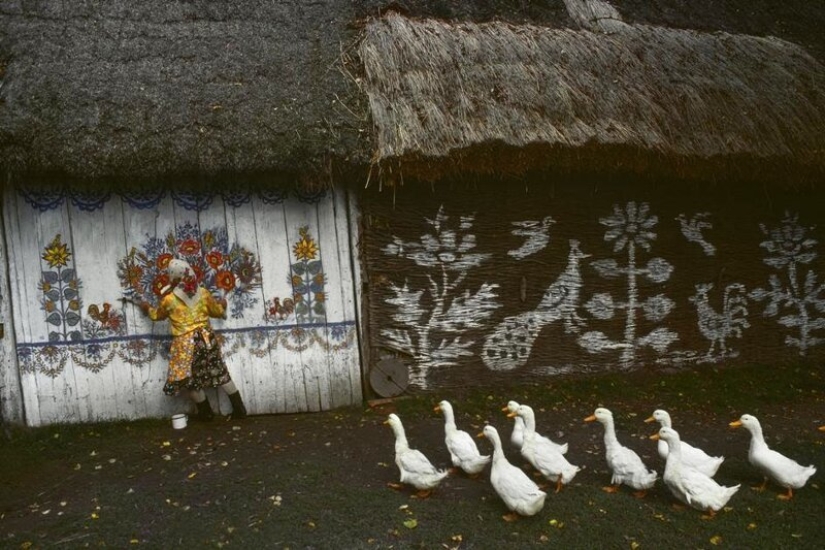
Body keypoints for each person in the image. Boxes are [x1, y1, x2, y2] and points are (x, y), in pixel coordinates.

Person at [138, 258, 246, 421]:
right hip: (206, 340)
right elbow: (216, 311)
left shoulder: (169, 300)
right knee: (220, 373)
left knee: (188, 380)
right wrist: (223, 305)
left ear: (174, 277)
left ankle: (206, 414)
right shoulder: (203, 293)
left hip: (185, 345)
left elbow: (157, 315)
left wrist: (147, 309)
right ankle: (240, 410)